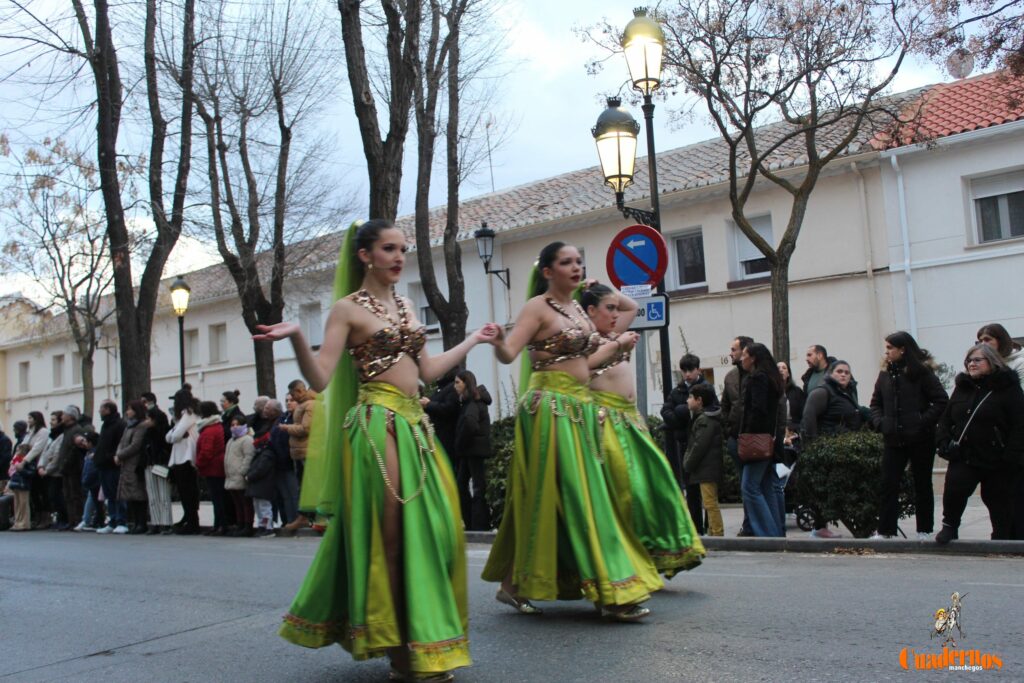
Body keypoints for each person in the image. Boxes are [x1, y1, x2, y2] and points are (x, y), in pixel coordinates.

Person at [254, 218, 497, 680]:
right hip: (375, 423)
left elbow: (428, 371)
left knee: (439, 527)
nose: (399, 257)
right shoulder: (346, 309)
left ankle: (423, 634)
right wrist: (298, 339)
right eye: (389, 249)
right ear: (365, 255)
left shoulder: (407, 306)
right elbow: (322, 378)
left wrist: (471, 340)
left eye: (402, 249)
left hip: (414, 423)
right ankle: (399, 646)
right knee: (391, 529)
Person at [480, 241, 661, 622]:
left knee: (552, 500)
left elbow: (587, 360)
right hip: (550, 408)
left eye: (579, 260)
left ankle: (513, 584)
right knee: (585, 497)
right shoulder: (537, 308)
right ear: (548, 271)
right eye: (566, 263)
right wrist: (498, 341)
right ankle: (612, 594)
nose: (576, 267)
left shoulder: (578, 309)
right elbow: (511, 353)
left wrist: (615, 347)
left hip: (579, 408)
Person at [583, 282, 705, 576]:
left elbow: (632, 306)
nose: (615, 313)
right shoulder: (586, 339)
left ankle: (658, 551)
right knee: (629, 492)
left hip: (631, 422)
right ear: (590, 311)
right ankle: (626, 556)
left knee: (658, 484)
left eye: (615, 308)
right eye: (608, 308)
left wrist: (607, 289)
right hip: (607, 423)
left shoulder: (612, 332)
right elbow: (581, 367)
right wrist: (616, 344)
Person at [935, 344, 1024, 543]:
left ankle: (1000, 536)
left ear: (992, 362)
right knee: (954, 490)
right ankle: (949, 527)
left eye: (977, 360)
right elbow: (947, 418)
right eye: (969, 360)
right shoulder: (962, 387)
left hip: (997, 458)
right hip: (964, 454)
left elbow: (1020, 425)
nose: (971, 364)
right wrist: (943, 441)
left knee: (998, 499)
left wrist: (1011, 456)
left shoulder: (1008, 388)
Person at [869, 331, 948, 540]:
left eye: (889, 348)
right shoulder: (885, 374)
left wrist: (922, 421)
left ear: (902, 349)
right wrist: (880, 422)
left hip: (921, 438)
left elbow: (940, 400)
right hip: (893, 438)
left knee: (922, 484)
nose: (886, 352)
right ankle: (886, 530)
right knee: (888, 483)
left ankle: (924, 530)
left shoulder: (921, 373)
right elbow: (875, 403)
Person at [800, 360, 866, 539]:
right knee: (827, 491)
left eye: (847, 372)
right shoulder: (822, 392)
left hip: (844, 449)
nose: (844, 374)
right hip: (827, 448)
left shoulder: (846, 393)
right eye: (839, 371)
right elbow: (808, 417)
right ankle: (820, 527)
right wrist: (813, 446)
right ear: (830, 373)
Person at [975, 323, 1024, 539]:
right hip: (992, 439)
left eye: (988, 340)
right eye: (980, 341)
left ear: (1001, 341)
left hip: (1014, 435)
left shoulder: (1019, 364)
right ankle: (1002, 532)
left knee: (1016, 490)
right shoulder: (983, 367)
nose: (983, 344)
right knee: (993, 491)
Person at [662, 353, 717, 532]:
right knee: (691, 489)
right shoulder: (678, 390)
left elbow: (710, 412)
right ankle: (696, 527)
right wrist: (682, 415)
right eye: (684, 371)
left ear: (698, 370)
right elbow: (666, 411)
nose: (687, 375)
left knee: (707, 489)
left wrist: (682, 412)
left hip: (701, 443)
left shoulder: (706, 389)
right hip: (684, 441)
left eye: (690, 370)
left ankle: (710, 526)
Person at [738, 343, 786, 537]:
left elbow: (757, 410)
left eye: (744, 355)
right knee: (766, 487)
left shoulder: (757, 378)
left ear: (754, 358)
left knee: (749, 487)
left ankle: (767, 534)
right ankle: (776, 531)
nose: (742, 359)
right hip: (769, 440)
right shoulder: (772, 379)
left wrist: (748, 434)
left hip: (756, 440)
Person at [721, 335, 754, 536]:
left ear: (745, 351)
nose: (731, 353)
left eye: (734, 349)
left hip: (755, 438)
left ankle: (758, 524)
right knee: (745, 484)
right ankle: (748, 523)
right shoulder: (730, 377)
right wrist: (728, 430)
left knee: (755, 485)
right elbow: (725, 405)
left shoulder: (758, 374)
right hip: (736, 438)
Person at [453, 369, 493, 531]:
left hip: (473, 451)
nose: (454, 386)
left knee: (475, 488)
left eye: (457, 382)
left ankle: (477, 525)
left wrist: (460, 443)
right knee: (465, 486)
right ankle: (474, 523)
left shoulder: (473, 403)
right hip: (472, 450)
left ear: (466, 383)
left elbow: (470, 424)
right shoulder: (472, 401)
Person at [683, 383, 725, 537]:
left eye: (690, 397)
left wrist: (687, 463)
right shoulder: (705, 418)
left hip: (706, 469)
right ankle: (713, 531)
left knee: (709, 503)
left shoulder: (704, 420)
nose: (687, 401)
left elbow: (699, 445)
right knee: (709, 502)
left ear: (699, 400)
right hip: (707, 468)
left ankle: (717, 533)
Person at [280, 379, 317, 531]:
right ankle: (305, 517)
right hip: (301, 452)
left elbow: (306, 428)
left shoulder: (310, 405)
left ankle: (309, 517)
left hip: (308, 451)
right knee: (303, 486)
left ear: (300, 391)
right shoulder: (304, 404)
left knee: (309, 486)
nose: (292, 398)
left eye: (293, 394)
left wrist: (287, 428)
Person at [166, 389, 200, 535]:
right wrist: (174, 434)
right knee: (184, 491)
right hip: (181, 456)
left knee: (188, 491)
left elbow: (175, 435)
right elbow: (169, 436)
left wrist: (174, 434)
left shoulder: (188, 413)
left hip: (186, 456)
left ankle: (192, 521)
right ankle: (188, 517)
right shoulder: (182, 416)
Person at [111, 400, 148, 534]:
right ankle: (136, 522)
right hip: (126, 463)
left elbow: (135, 445)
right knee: (130, 494)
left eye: (130, 409)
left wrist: (120, 455)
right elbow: (122, 442)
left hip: (135, 463)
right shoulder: (128, 426)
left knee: (138, 493)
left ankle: (141, 522)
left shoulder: (141, 426)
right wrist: (118, 454)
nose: (127, 412)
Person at [94, 400, 127, 534]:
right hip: (104, 464)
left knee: (117, 493)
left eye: (101, 408)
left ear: (108, 409)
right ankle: (112, 520)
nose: (99, 411)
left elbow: (120, 443)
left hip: (113, 464)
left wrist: (112, 456)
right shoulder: (105, 425)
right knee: (109, 494)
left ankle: (121, 520)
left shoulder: (119, 424)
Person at [194, 400, 227, 535]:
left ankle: (220, 525)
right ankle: (219, 524)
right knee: (219, 498)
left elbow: (206, 452)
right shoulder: (217, 426)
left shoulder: (208, 430)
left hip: (213, 468)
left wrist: (198, 464)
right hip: (217, 466)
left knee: (217, 498)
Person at [141, 398, 173, 535]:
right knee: (153, 495)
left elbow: (166, 449)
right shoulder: (147, 434)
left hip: (161, 464)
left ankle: (165, 522)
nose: (146, 421)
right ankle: (156, 522)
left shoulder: (164, 433)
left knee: (163, 494)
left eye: (148, 419)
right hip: (149, 464)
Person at [422, 366, 462, 466]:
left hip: (447, 436)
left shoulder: (451, 388)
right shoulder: (442, 388)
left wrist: (428, 404)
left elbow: (449, 408)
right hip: (439, 434)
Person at [224, 414, 255, 536]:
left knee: (245, 502)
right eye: (232, 425)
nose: (234, 427)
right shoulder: (231, 440)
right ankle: (240, 524)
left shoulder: (247, 439)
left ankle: (247, 525)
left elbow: (249, 457)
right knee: (237, 503)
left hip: (240, 475)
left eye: (237, 424)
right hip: (231, 476)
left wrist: (243, 471)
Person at [55, 406, 86, 530]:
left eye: (64, 414)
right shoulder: (67, 430)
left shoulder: (75, 430)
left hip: (73, 468)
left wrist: (66, 462)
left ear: (71, 416)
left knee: (75, 494)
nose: (62, 416)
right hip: (66, 467)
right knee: (68, 495)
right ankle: (71, 519)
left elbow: (74, 449)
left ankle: (77, 519)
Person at [15, 412, 47, 529]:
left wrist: (24, 461)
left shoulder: (43, 432)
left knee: (40, 492)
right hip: (28, 465)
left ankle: (44, 517)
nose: (28, 420)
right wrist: (15, 460)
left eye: (30, 418)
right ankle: (36, 516)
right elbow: (22, 446)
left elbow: (36, 449)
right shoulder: (30, 432)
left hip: (37, 465)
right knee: (32, 493)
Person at [35, 411, 65, 529]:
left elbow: (56, 455)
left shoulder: (61, 436)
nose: (51, 422)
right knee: (51, 495)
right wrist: (41, 466)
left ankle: (63, 518)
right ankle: (58, 518)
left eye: (53, 420)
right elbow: (46, 453)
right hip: (46, 470)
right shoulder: (51, 435)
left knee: (56, 496)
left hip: (55, 472)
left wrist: (47, 469)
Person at [7, 443, 33, 531]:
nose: (17, 452)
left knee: (23, 504)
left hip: (23, 484)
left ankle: (25, 523)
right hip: (16, 484)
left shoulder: (27, 461)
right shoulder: (16, 460)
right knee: (17, 504)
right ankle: (17, 521)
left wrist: (21, 470)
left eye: (19, 450)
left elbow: (31, 473)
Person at [778, 361, 806, 437]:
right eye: (778, 368)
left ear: (788, 374)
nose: (781, 370)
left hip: (794, 430)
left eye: (784, 368)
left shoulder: (797, 391)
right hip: (777, 431)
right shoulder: (770, 391)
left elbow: (803, 413)